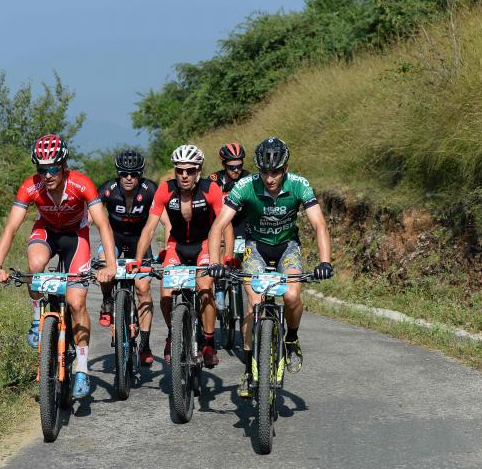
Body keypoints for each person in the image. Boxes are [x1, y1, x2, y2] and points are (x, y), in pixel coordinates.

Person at [0, 134, 117, 399]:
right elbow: (11, 226)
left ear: (64, 165)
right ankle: (37, 320)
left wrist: (111, 266)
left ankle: (82, 368)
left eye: (53, 168)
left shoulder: (81, 184)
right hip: (46, 231)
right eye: (41, 169)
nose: (47, 175)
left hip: (75, 237)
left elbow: (103, 225)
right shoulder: (30, 187)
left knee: (76, 302)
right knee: (35, 266)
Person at [206, 137, 333, 398]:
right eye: (264, 172)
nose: (269, 178)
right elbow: (218, 226)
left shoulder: (299, 185)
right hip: (256, 247)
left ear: (285, 169)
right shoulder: (245, 185)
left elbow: (320, 225)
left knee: (292, 295)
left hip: (287, 246)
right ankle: (249, 368)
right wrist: (215, 262)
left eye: (275, 172)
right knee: (254, 303)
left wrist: (325, 262)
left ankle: (292, 338)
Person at [129, 144, 231, 367]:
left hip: (203, 244)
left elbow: (226, 226)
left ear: (199, 170)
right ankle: (172, 334)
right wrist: (138, 261)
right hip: (177, 245)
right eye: (179, 170)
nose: (184, 175)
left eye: (190, 170)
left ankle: (209, 343)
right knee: (166, 294)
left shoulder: (211, 189)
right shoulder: (166, 190)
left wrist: (227, 257)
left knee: (205, 289)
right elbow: (149, 228)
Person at [96, 149, 158, 365]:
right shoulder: (108, 189)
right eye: (124, 174)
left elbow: (165, 219)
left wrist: (168, 247)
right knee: (104, 263)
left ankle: (145, 343)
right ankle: (107, 300)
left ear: (140, 174)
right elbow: (89, 214)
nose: (129, 178)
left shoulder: (150, 189)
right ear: (118, 174)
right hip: (114, 237)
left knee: (143, 288)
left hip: (139, 240)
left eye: (133, 174)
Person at [209, 143, 251, 309]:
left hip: (242, 222)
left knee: (241, 255)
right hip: (222, 221)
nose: (236, 170)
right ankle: (219, 287)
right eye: (231, 167)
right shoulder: (214, 180)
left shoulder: (249, 178)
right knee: (219, 245)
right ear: (223, 164)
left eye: (239, 166)